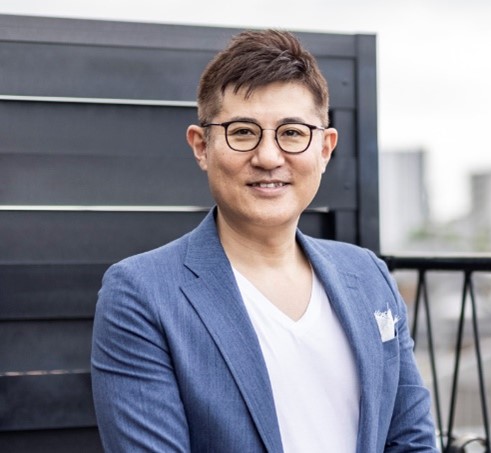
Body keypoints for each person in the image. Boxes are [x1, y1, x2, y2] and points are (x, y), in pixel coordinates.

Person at [91, 29, 437, 452]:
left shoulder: (368, 275)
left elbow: (412, 440)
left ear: (325, 149)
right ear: (201, 146)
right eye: (242, 132)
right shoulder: (142, 293)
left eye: (292, 132)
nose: (269, 157)